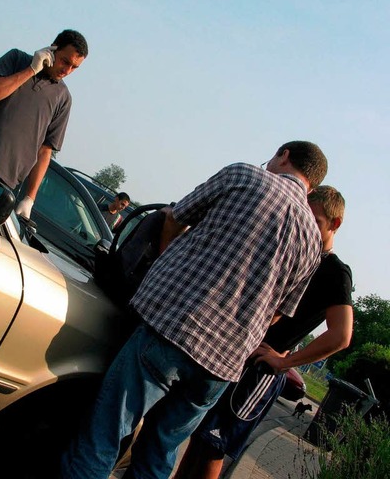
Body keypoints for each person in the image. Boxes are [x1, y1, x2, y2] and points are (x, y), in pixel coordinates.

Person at [59, 140, 328, 479]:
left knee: (104, 435)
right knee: (159, 453)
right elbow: (278, 313)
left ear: (284, 155)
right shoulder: (311, 240)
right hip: (221, 365)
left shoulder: (244, 175)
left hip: (173, 328)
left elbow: (174, 216)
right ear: (312, 184)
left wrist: (167, 259)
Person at [172, 185, 353, 479]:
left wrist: (285, 362)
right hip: (234, 355)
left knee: (213, 447)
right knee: (198, 437)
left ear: (335, 224)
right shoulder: (294, 251)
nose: (307, 227)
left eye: (316, 222)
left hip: (260, 371)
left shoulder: (335, 271)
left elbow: (341, 335)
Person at [0, 30, 88, 219]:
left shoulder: (63, 99)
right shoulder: (16, 59)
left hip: (1, 184)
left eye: (74, 67)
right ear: (52, 49)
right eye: (65, 61)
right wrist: (31, 70)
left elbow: (45, 151)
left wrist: (29, 198)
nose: (67, 71)